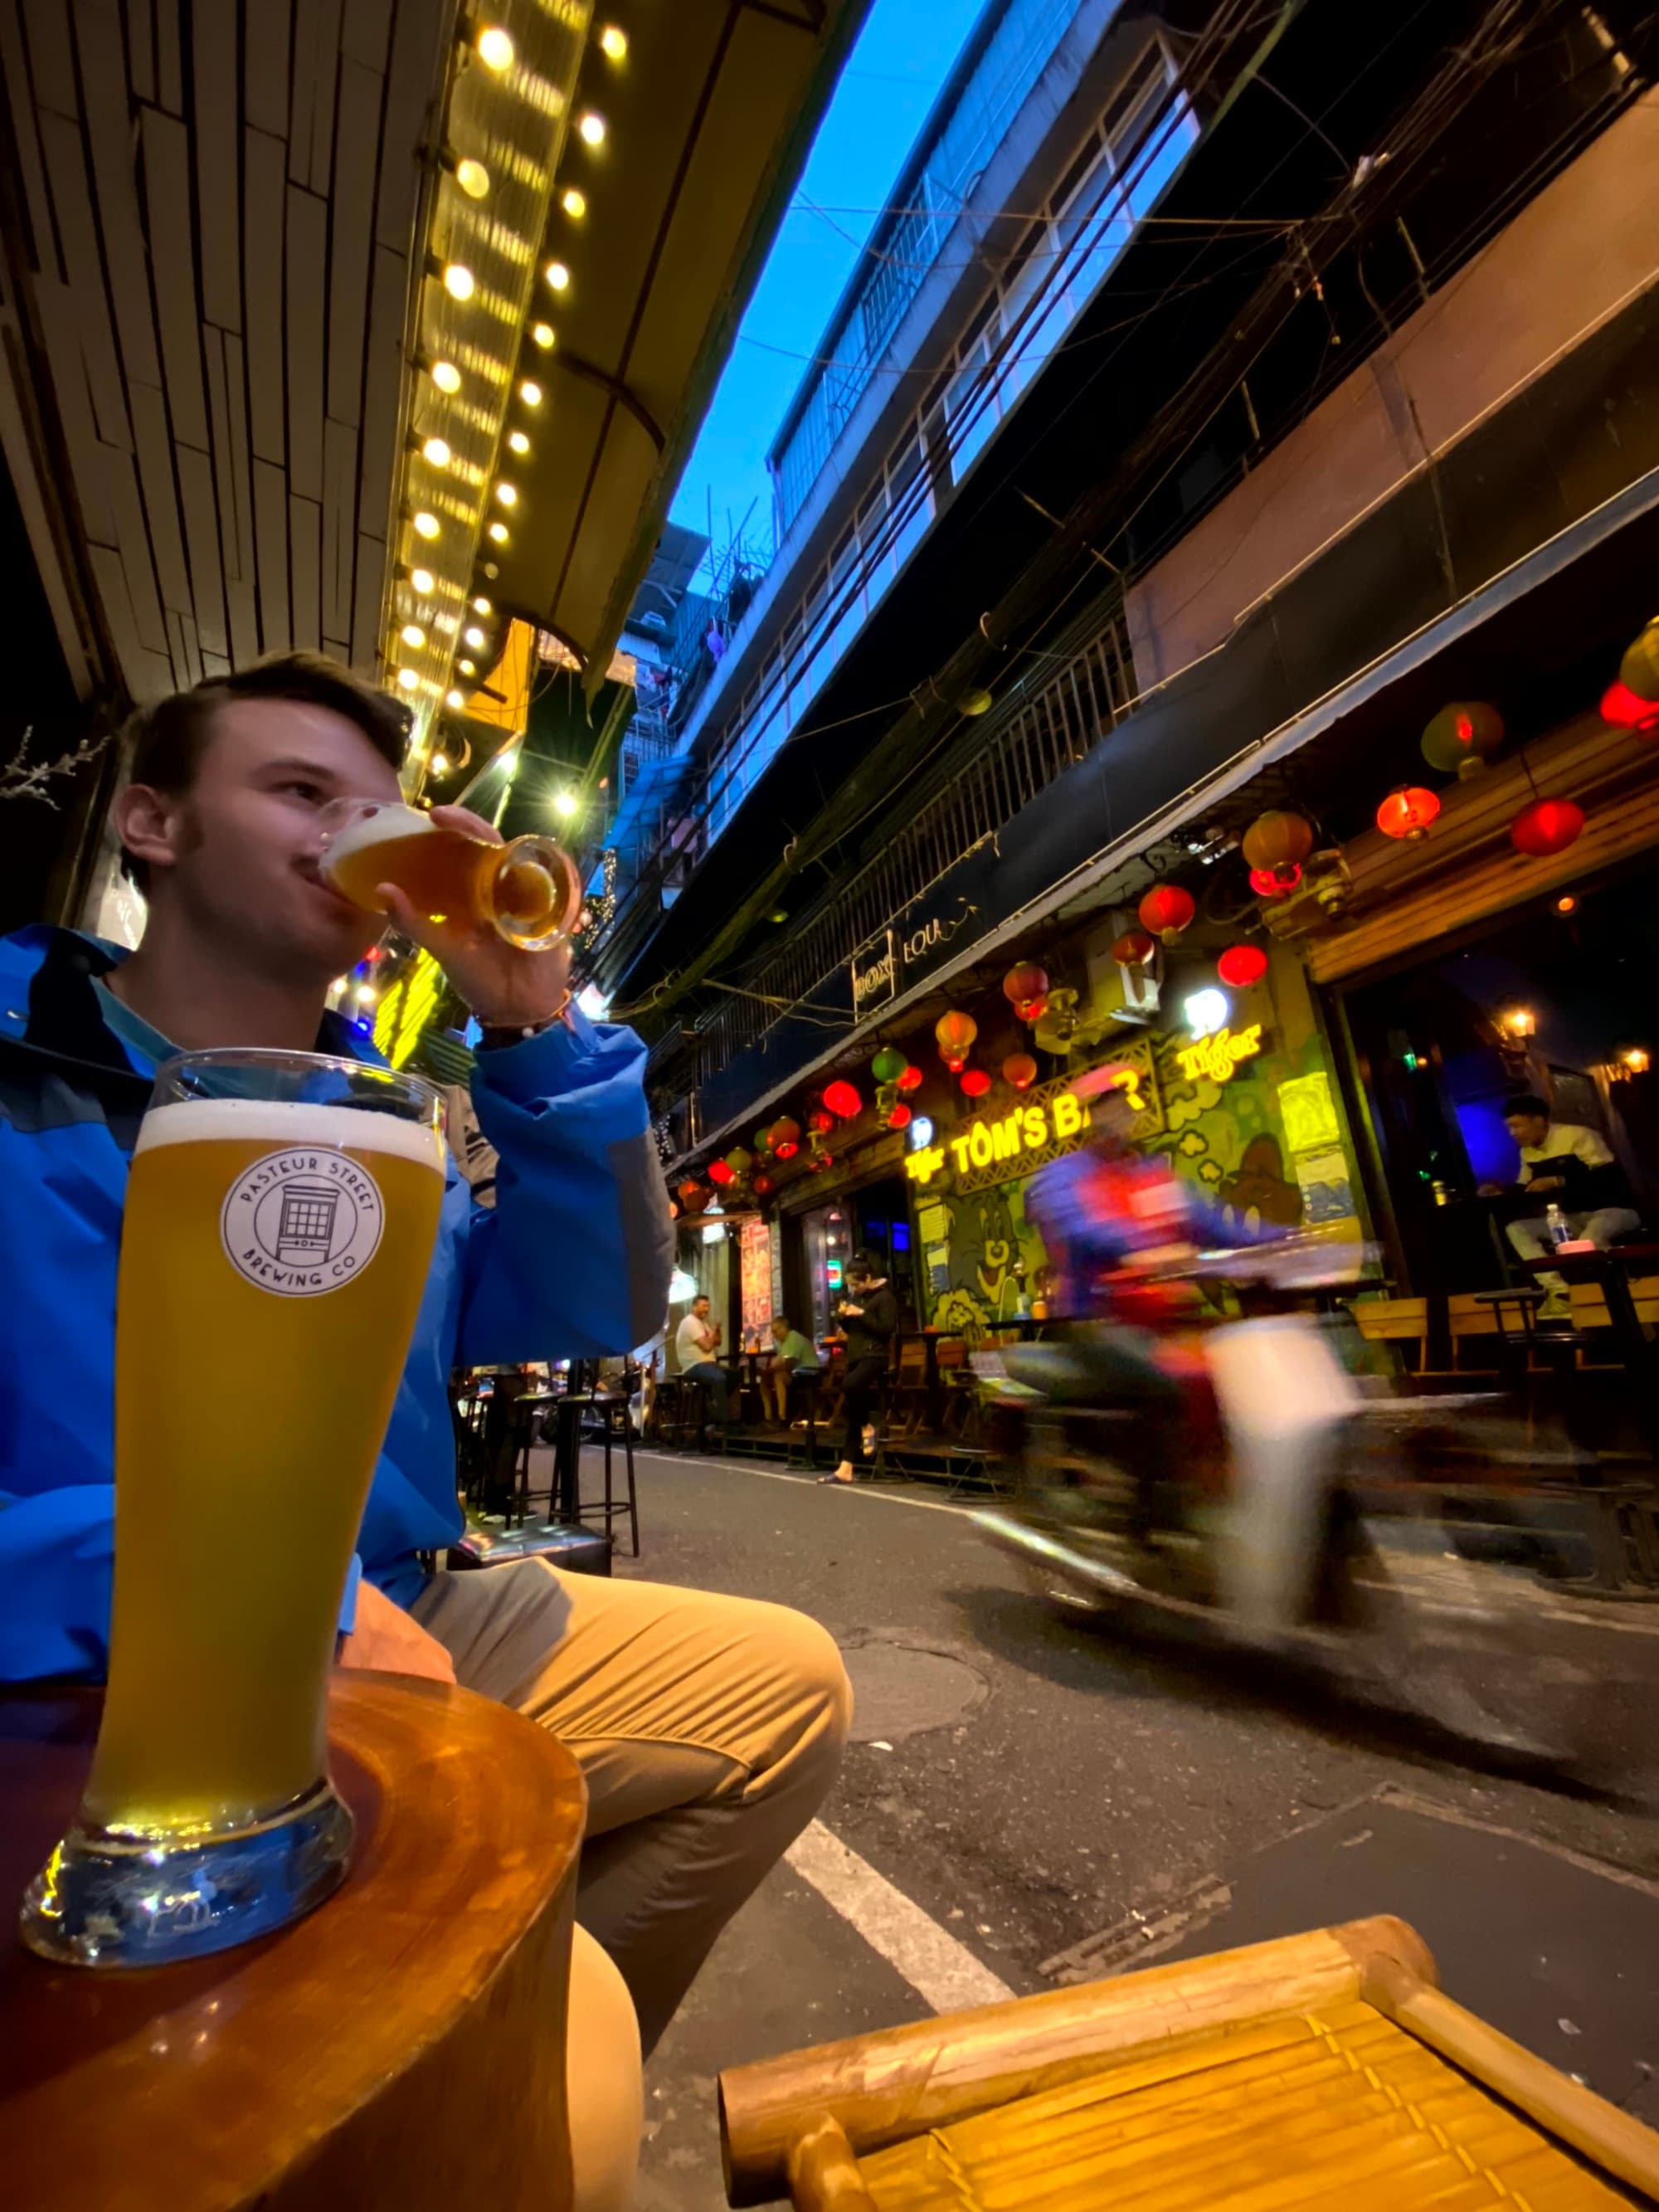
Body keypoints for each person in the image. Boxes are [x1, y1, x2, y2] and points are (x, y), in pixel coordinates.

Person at [0, 655, 850, 2210]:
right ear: (153, 823)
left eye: (373, 808)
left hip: (410, 1603)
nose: (355, 831)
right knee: (579, 2138)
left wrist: (534, 1025)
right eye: (301, 793)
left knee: (789, 1691)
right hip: (86, 1667)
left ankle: (462, 2060)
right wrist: (280, 1598)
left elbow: (593, 1308)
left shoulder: (390, 1117)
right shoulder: (16, 1067)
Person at [1482, 1092, 1639, 1307]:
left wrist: (1559, 1180)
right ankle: (1559, 1290)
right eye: (1509, 1127)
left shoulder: (1577, 1135)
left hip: (1613, 1210)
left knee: (1590, 1239)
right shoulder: (1527, 1152)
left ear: (1539, 1120)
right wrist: (1500, 1192)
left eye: (1518, 1126)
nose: (1513, 1133)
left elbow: (1608, 1176)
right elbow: (1524, 1187)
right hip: (1570, 1216)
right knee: (1517, 1228)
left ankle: (1616, 1298)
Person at [820, 1255, 898, 1484]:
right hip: (856, 1356)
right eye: (850, 1285)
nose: (853, 1288)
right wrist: (844, 1317)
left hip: (876, 1356)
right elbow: (853, 1329)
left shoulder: (885, 1298)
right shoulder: (860, 1298)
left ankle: (867, 1426)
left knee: (850, 1386)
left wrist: (861, 1314)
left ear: (868, 1278)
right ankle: (846, 1468)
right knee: (852, 1409)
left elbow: (886, 1329)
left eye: (856, 1283)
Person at [674, 1292, 731, 1423]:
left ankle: (714, 1404)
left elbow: (718, 1342)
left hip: (708, 1364)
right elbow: (707, 1346)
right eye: (704, 1306)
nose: (707, 1309)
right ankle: (722, 1419)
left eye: (708, 1306)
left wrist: (717, 1330)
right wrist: (712, 1336)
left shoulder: (703, 1323)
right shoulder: (690, 1322)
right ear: (694, 1307)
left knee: (734, 1375)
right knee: (719, 1378)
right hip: (694, 1365)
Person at [765, 1312, 822, 1421]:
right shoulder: (784, 1342)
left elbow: (788, 1362)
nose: (774, 1335)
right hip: (798, 1373)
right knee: (765, 1380)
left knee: (779, 1377)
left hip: (809, 1374)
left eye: (775, 1331)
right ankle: (768, 1416)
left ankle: (782, 1417)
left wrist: (771, 1369)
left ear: (783, 1328)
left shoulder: (793, 1338)